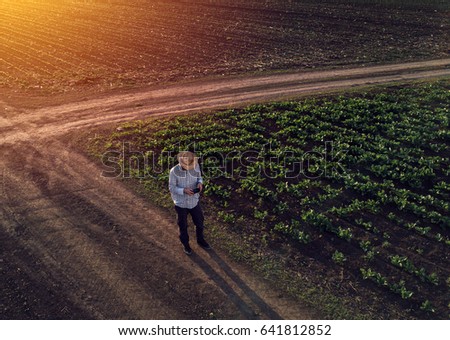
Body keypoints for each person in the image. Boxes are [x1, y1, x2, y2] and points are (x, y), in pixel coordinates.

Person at [169, 151, 211, 255]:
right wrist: (183, 190)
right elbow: (172, 187)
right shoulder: (174, 171)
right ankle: (186, 244)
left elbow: (199, 177)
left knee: (200, 222)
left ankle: (200, 240)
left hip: (194, 201)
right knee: (182, 225)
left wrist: (200, 183)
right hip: (181, 203)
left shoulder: (196, 166)